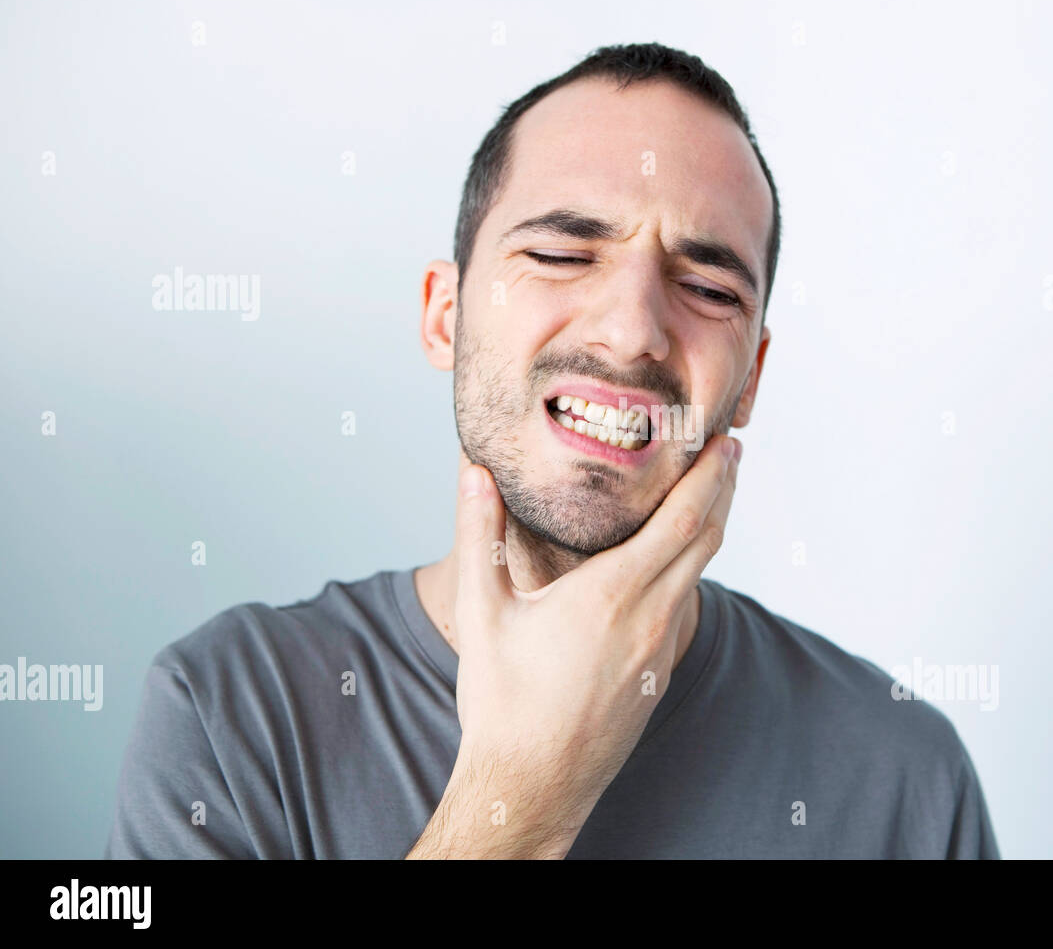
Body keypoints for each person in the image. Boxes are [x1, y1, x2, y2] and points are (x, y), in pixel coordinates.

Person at [105, 43, 999, 859]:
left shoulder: (906, 778)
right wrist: (520, 800)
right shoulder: (229, 714)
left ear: (754, 376)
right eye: (564, 253)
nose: (632, 330)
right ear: (444, 317)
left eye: (706, 286)